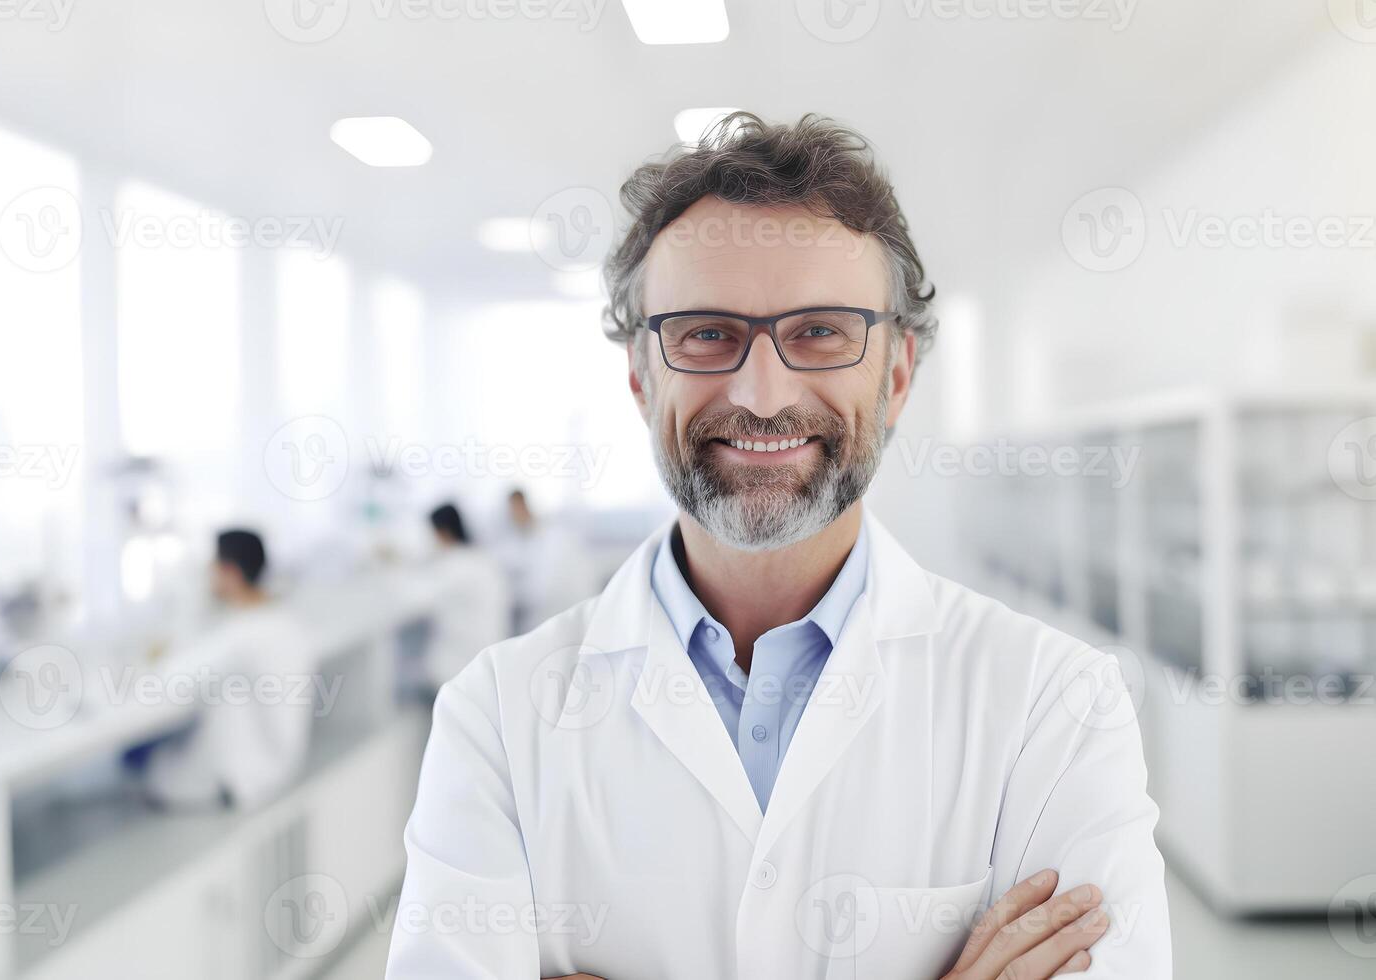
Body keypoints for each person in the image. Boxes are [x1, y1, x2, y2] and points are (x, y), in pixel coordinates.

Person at [385, 113, 1172, 979]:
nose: (763, 394)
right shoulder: (496, 717)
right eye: (707, 333)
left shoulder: (1052, 704)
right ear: (643, 379)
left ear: (899, 374)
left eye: (821, 331)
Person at [136, 529, 314, 810]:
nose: (208, 577)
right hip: (278, 768)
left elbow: (169, 680)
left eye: (212, 568)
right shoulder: (284, 623)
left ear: (229, 572)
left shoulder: (242, 634)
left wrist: (190, 606)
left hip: (240, 781)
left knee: (150, 774)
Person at [420, 503, 512, 690]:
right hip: (492, 650)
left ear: (442, 532)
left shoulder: (454, 566)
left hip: (463, 657)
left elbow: (420, 597)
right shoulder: (481, 559)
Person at [494, 488, 593, 634]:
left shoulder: (554, 539)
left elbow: (540, 589)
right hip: (540, 621)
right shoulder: (517, 542)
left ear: (523, 505)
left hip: (559, 614)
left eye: (514, 509)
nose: (512, 515)